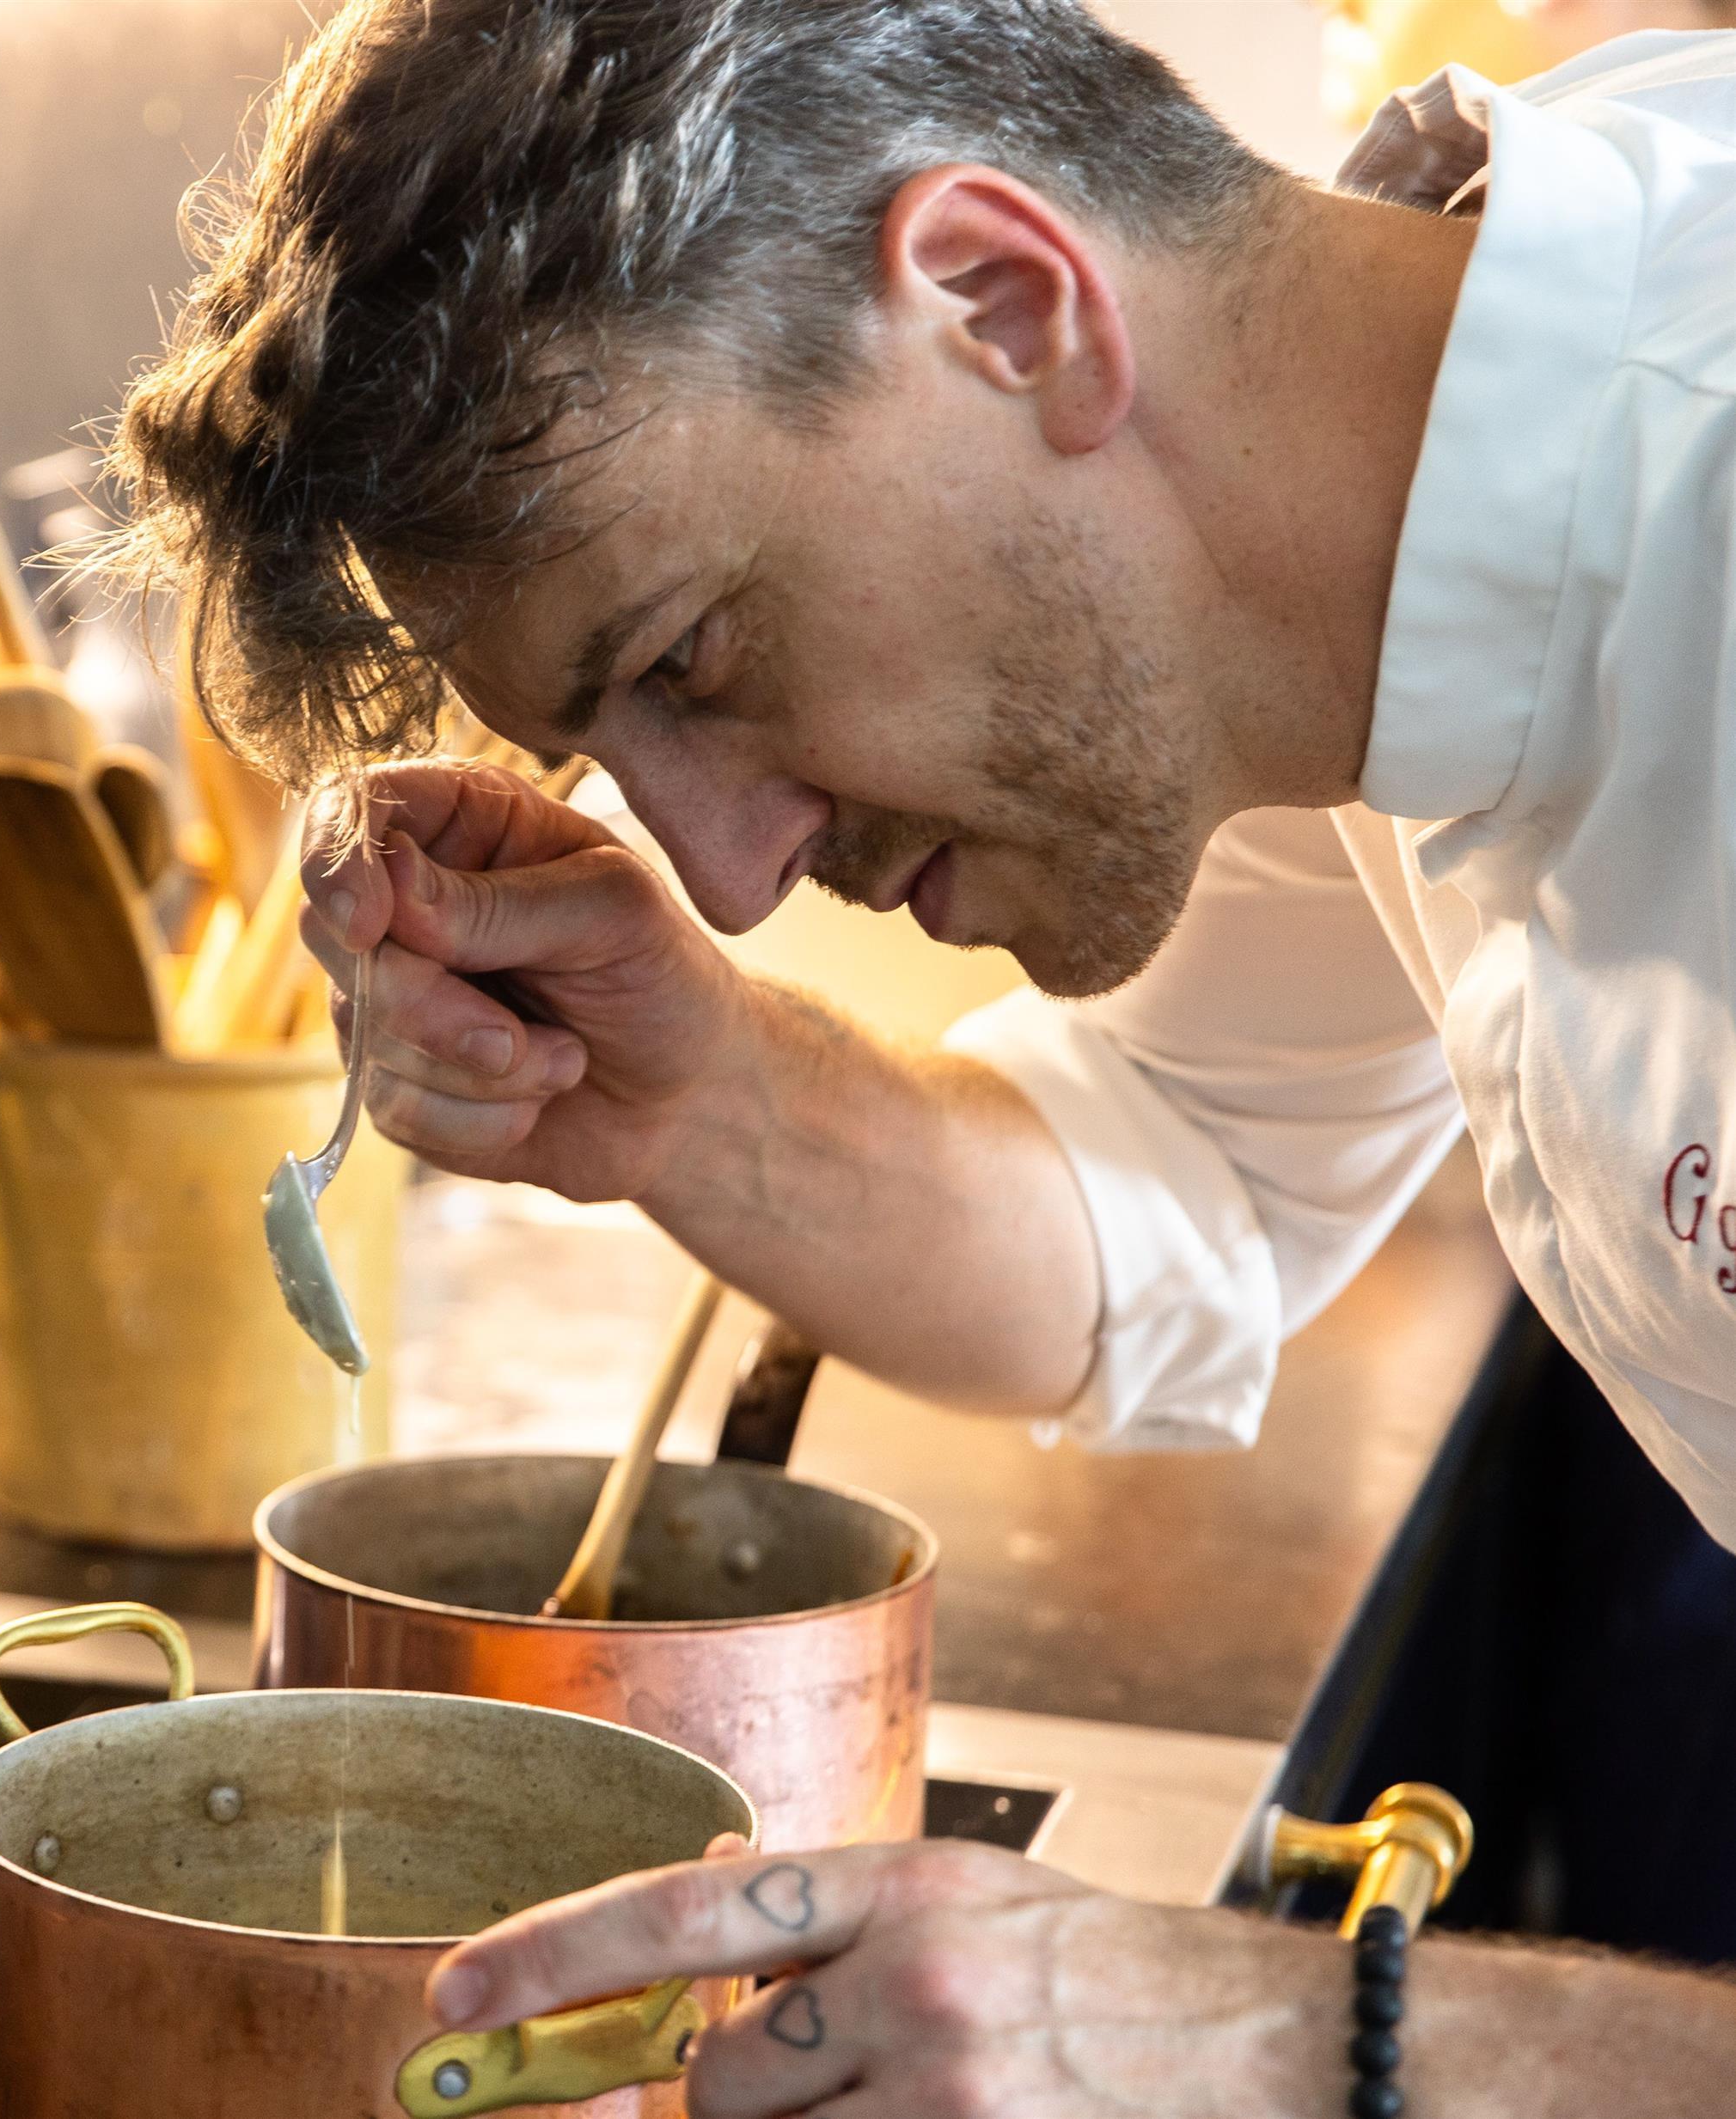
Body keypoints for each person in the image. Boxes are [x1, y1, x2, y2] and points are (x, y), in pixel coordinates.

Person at [105, 1, 1736, 2110]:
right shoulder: (1329, 528)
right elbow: (1188, 1185)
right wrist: (703, 1101)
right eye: (611, 750)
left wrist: (1287, 2040)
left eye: (690, 653)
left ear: (1001, 300)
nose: (724, 877)